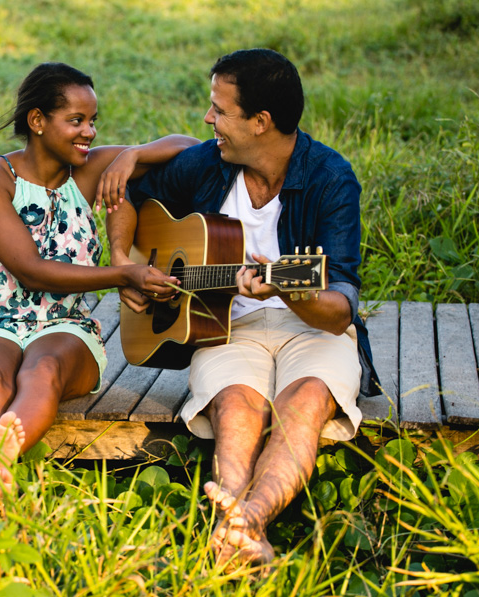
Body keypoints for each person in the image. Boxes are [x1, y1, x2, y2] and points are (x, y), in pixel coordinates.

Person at [107, 49, 379, 565]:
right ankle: (240, 529)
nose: (208, 119)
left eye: (219, 110)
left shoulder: (330, 178)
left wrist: (287, 290)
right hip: (225, 325)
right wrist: (125, 263)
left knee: (304, 404)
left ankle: (244, 522)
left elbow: (340, 308)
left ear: (261, 122)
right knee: (237, 407)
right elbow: (131, 197)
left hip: (312, 327)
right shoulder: (210, 163)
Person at [0, 62, 198, 493]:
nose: (90, 133)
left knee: (43, 370)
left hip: (65, 327)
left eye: (93, 121)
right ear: (38, 121)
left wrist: (132, 154)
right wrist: (123, 273)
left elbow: (190, 147)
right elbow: (31, 270)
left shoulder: (91, 169)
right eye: (76, 121)